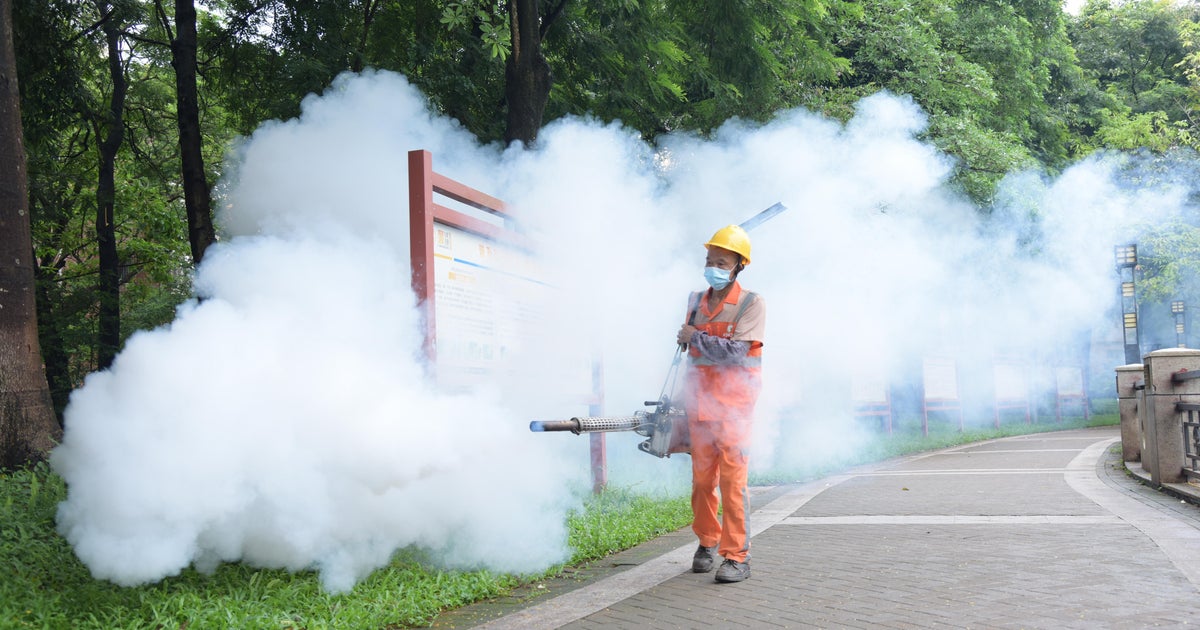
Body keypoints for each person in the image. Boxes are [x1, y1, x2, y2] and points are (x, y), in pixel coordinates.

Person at [675, 224, 765, 584]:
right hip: (699, 405)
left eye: (721, 261)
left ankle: (737, 557)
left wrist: (694, 336)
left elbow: (734, 354)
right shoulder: (695, 301)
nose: (713, 266)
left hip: (734, 409)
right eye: (709, 259)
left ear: (739, 265)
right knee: (701, 482)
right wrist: (688, 338)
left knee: (732, 482)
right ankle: (707, 543)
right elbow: (689, 348)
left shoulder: (751, 303)